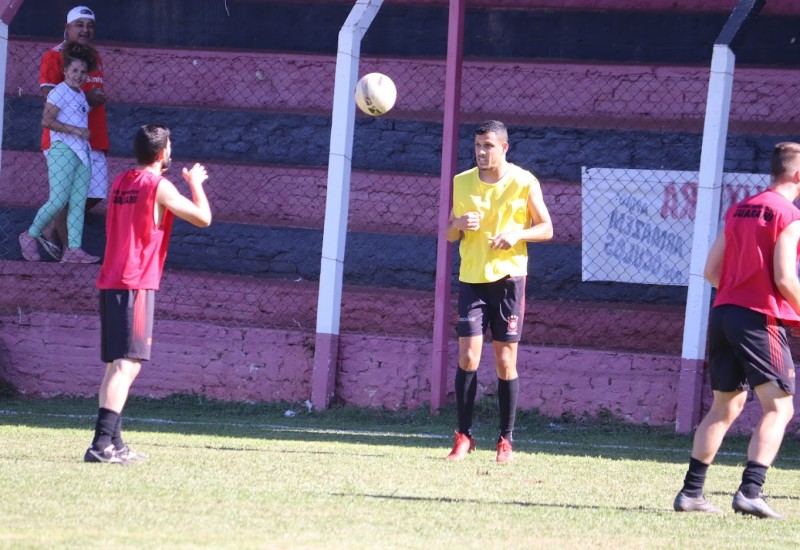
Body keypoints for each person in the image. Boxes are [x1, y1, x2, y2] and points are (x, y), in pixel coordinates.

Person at [673, 142, 800, 519]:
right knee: (780, 407)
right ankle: (750, 490)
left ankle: (691, 493)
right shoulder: (789, 216)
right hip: (759, 318)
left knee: (726, 405)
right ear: (797, 175)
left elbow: (711, 271)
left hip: (724, 312)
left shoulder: (739, 209)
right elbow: (784, 278)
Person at [84, 124, 212, 464]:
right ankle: (100, 446)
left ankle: (115, 443)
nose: (171, 151)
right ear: (161, 154)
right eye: (168, 146)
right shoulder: (159, 186)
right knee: (128, 365)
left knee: (117, 365)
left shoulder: (121, 180)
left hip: (111, 279)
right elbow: (203, 218)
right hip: (135, 283)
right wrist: (196, 185)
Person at [444, 120, 553, 463]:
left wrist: (517, 235)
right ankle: (464, 436)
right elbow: (448, 233)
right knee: (468, 357)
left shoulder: (523, 181)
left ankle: (505, 440)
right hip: (472, 278)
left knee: (505, 361)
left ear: (504, 147)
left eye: (488, 146)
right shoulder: (461, 182)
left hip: (508, 280)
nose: (481, 152)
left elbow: (547, 228)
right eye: (477, 146)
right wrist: (459, 225)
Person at [38, 5, 108, 260]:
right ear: (67, 28)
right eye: (79, 24)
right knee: (65, 195)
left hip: (93, 137)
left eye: (90, 25)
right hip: (64, 140)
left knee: (97, 192)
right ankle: (71, 251)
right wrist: (87, 97)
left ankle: (48, 228)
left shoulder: (95, 57)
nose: (85, 29)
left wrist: (93, 100)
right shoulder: (54, 56)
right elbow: (51, 99)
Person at [18, 42, 99, 264]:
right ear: (65, 71)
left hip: (82, 153)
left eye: (83, 72)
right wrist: (76, 131)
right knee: (58, 199)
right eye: (74, 70)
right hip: (62, 150)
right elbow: (47, 120)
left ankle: (73, 249)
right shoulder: (58, 92)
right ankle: (29, 235)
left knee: (78, 202)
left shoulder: (81, 95)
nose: (79, 75)